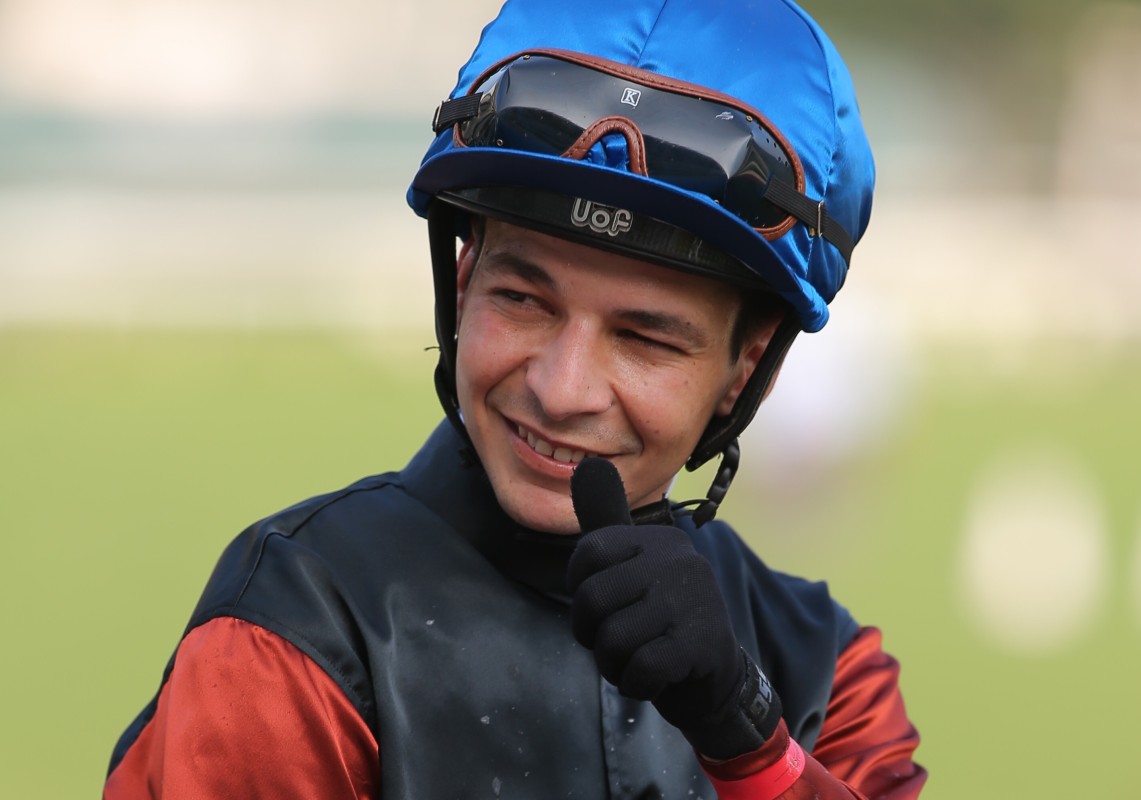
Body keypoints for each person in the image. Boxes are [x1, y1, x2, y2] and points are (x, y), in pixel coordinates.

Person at [104, 0, 926, 797]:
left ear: (748, 372)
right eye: (523, 300)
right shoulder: (289, 633)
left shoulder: (828, 673)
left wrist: (749, 745)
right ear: (462, 284)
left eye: (645, 338)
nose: (560, 389)